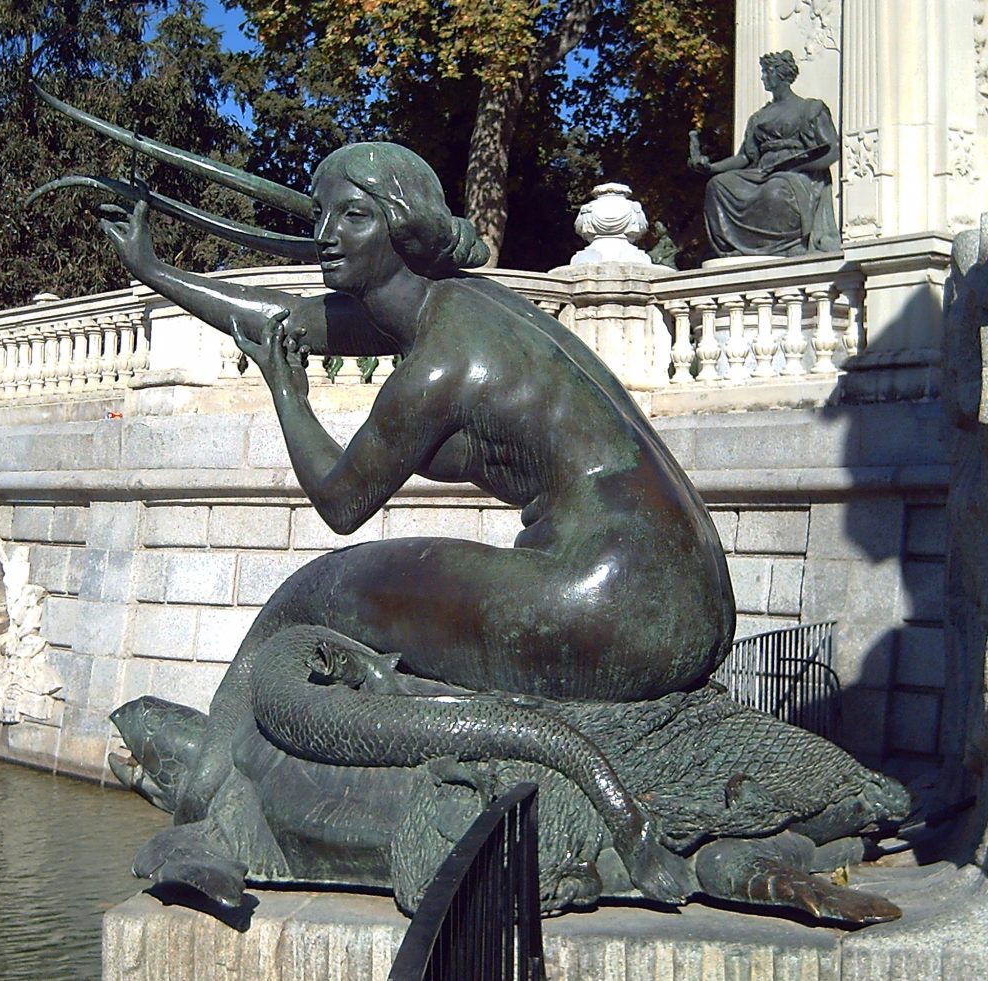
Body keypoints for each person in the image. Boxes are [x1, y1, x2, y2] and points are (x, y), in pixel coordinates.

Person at [100, 142, 735, 823]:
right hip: (685, 595)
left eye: (352, 217)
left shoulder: (436, 366)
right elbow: (280, 319)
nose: (324, 236)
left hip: (612, 601)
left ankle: (209, 792)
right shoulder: (462, 302)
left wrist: (288, 393)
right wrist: (152, 268)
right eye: (320, 214)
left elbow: (341, 503)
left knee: (312, 593)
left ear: (401, 226)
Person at [690, 50, 841, 257]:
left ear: (781, 74)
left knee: (775, 191)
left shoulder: (810, 108)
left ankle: (789, 245)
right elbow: (745, 157)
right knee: (718, 185)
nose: (763, 77)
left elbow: (832, 150)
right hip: (763, 172)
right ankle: (738, 248)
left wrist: (798, 166)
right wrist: (711, 167)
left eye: (766, 72)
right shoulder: (759, 117)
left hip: (798, 175)